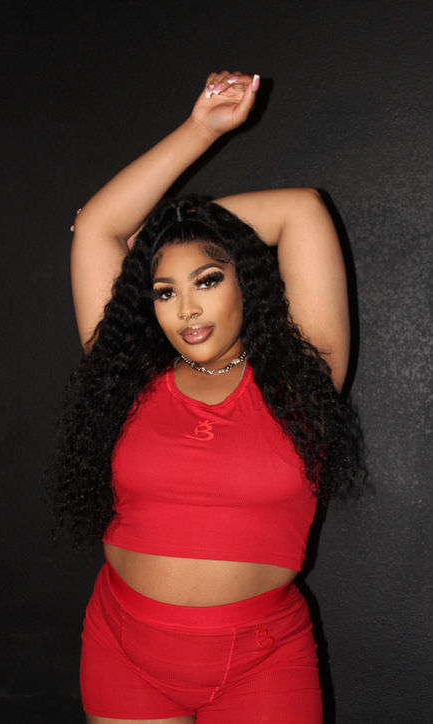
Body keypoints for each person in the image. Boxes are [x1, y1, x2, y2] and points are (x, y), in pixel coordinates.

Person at [51, 70, 360, 723]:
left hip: (262, 660)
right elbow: (98, 226)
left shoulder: (302, 381)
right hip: (123, 647)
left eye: (208, 279)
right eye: (164, 291)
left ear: (246, 281)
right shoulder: (127, 376)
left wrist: (176, 228)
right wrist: (198, 130)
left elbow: (301, 209)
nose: (186, 309)